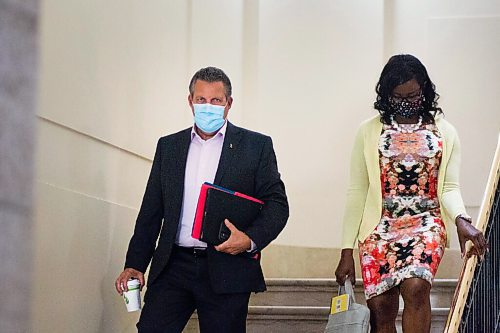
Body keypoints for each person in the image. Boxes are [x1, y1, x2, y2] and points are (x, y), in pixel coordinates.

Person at [115, 67, 289, 333]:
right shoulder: (169, 147)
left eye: (216, 101)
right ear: (190, 101)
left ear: (229, 104)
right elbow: (151, 210)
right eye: (201, 100)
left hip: (227, 267)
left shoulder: (256, 147)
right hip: (174, 266)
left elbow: (277, 205)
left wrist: (250, 239)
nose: (208, 107)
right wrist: (135, 264)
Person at [334, 54, 488, 333]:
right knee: (381, 308)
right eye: (398, 96)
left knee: (416, 287)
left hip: (426, 223)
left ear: (425, 90)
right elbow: (357, 191)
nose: (406, 101)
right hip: (379, 228)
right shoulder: (369, 131)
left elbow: (450, 187)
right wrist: (346, 250)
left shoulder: (445, 132)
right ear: (386, 94)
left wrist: (461, 219)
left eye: (413, 95)